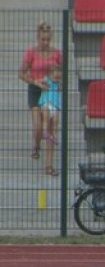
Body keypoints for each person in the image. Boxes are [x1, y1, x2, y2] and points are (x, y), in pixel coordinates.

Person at [19, 21, 62, 164]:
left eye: (48, 39)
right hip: (36, 89)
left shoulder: (56, 53)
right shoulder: (31, 53)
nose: (45, 42)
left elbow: (62, 72)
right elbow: (22, 73)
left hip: (50, 91)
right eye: (43, 39)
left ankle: (49, 165)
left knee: (50, 126)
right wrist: (36, 82)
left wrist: (57, 82)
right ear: (38, 38)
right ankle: (36, 145)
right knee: (37, 124)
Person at [37, 65, 61, 177]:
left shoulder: (58, 84)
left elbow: (60, 88)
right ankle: (45, 131)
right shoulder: (47, 80)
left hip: (55, 106)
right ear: (50, 74)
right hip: (46, 103)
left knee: (56, 120)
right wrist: (41, 85)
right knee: (46, 118)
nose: (57, 78)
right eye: (55, 75)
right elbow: (38, 81)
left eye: (58, 76)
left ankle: (53, 135)